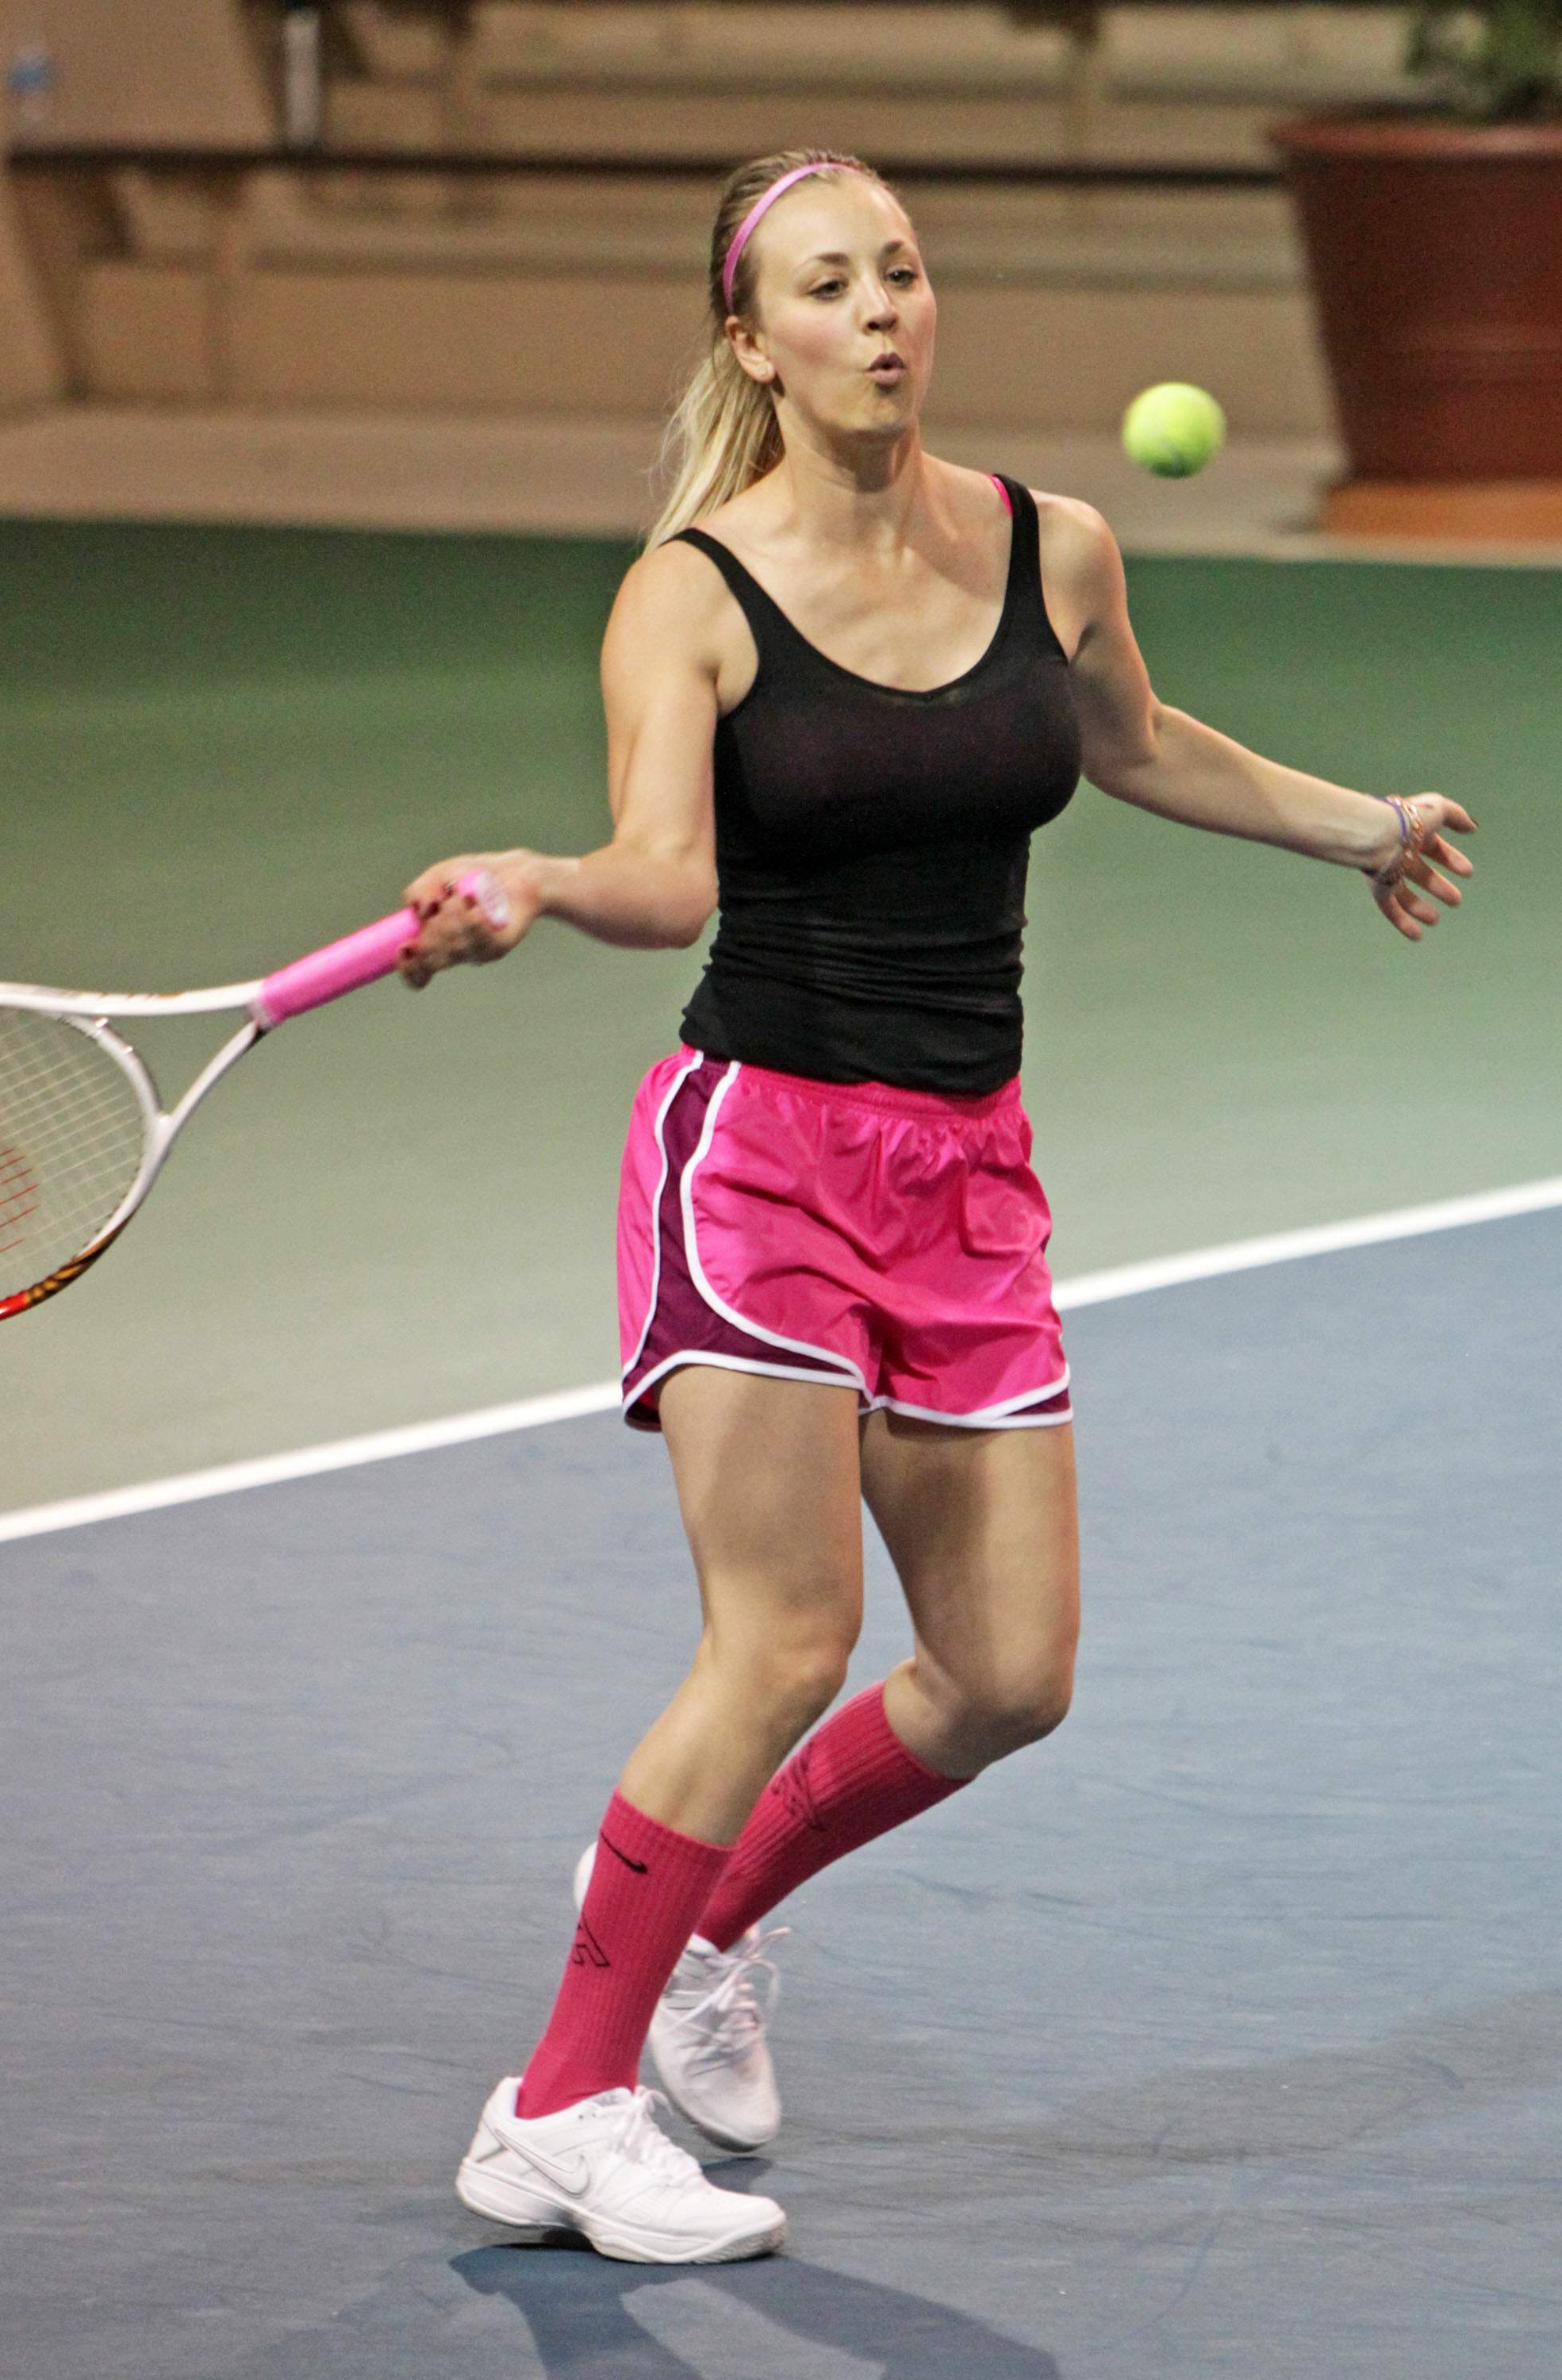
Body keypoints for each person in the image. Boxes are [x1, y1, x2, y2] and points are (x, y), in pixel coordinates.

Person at [398, 148, 1476, 2265]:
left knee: (1005, 1676)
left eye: (900, 269)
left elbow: (1136, 741)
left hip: (968, 1173)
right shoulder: (691, 596)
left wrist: (1361, 828)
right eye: (829, 284)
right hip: (762, 1158)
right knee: (786, 1638)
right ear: (752, 340)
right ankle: (555, 2113)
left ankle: (695, 1930)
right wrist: (537, 883)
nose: (882, 309)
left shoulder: (1050, 546)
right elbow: (667, 877)